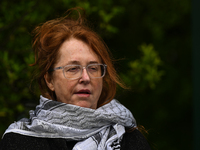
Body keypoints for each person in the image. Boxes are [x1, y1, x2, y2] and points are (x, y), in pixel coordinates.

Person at [0, 8, 151, 150]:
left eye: (93, 68)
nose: (86, 78)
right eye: (73, 69)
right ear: (49, 80)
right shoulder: (18, 142)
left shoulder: (129, 140)